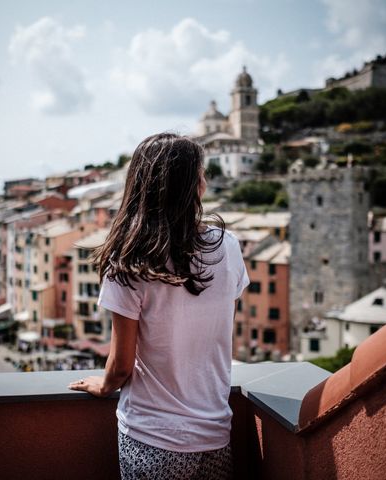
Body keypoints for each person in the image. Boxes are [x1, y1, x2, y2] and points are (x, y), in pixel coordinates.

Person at [68, 133, 249, 479]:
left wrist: (102, 386)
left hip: (152, 437)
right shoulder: (229, 247)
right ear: (193, 187)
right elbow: (215, 328)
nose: (205, 182)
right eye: (201, 175)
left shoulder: (129, 261)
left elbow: (121, 364)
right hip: (215, 436)